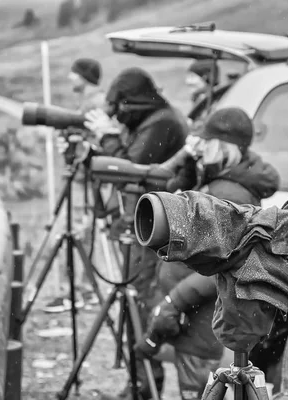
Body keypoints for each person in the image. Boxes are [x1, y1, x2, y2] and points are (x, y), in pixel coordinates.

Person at [132, 107, 281, 400]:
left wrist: (174, 302)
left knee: (198, 389)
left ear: (220, 145)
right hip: (195, 317)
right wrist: (189, 169)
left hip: (199, 322)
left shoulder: (229, 192)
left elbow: (225, 266)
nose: (198, 147)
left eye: (204, 141)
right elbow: (177, 204)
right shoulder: (219, 180)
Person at [84, 67, 189, 399]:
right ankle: (140, 381)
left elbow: (129, 167)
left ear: (131, 102)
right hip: (144, 225)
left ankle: (145, 385)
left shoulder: (162, 123)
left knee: (140, 304)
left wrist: (106, 136)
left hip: (153, 231)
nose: (117, 118)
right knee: (136, 303)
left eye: (119, 110)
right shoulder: (153, 119)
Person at [44, 58, 107, 313]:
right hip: (84, 179)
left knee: (73, 232)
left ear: (84, 76)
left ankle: (75, 292)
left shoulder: (95, 104)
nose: (70, 77)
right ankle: (84, 290)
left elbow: (97, 143)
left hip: (85, 180)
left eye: (74, 73)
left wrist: (76, 143)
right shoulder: (91, 102)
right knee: (84, 232)